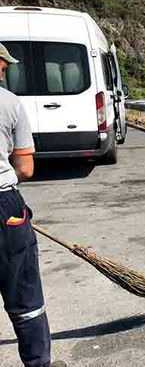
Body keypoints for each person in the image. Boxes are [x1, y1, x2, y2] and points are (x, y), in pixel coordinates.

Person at [0, 43, 61, 367]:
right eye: (2, 65)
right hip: (3, 204)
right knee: (24, 298)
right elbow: (25, 167)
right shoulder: (9, 103)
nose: (6, 70)